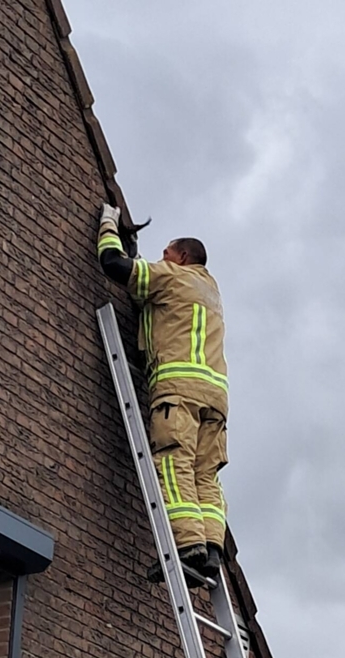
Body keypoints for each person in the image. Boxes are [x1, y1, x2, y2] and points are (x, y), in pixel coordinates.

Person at [96, 203, 230, 581]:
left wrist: (109, 223)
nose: (162, 260)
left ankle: (188, 548)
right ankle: (212, 549)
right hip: (216, 399)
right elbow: (147, 295)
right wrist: (134, 248)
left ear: (182, 257)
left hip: (179, 391)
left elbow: (112, 265)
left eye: (166, 253)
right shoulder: (209, 289)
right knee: (205, 474)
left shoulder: (174, 277)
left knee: (173, 462)